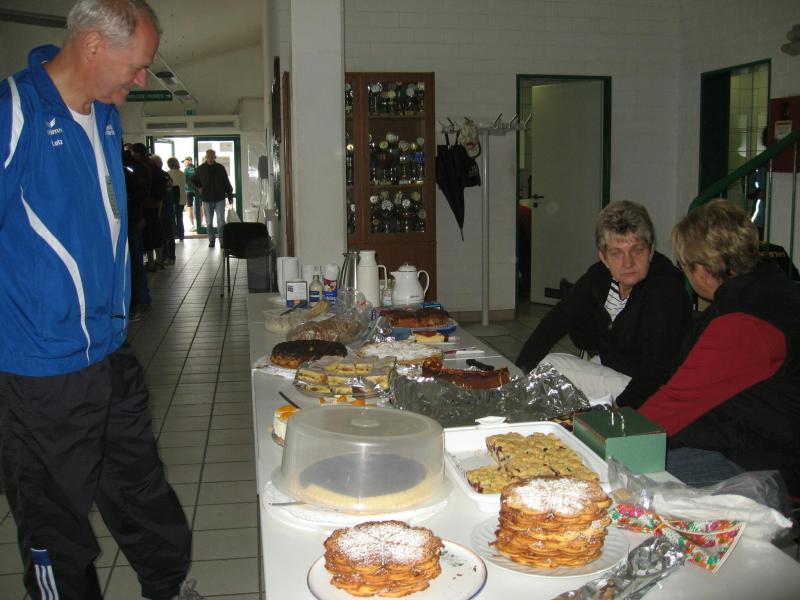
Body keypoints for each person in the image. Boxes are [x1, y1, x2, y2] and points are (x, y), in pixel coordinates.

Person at [0, 1, 196, 599]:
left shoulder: (105, 117)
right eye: (136, 66)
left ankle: (168, 589)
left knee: (143, 494)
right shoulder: (16, 112)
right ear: (92, 46)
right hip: (41, 371)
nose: (141, 79)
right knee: (56, 528)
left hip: (109, 352)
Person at [639, 199, 800, 494]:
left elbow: (677, 402)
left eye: (684, 266)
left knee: (630, 475)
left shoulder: (743, 324)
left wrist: (615, 441)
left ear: (701, 270)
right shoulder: (770, 284)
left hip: (764, 465)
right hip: (757, 435)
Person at [515, 200, 693, 408]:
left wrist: (619, 408)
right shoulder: (599, 277)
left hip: (655, 389)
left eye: (637, 250)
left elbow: (657, 368)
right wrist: (517, 373)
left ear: (651, 251)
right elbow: (555, 322)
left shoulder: (664, 291)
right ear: (604, 258)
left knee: (550, 369)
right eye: (617, 253)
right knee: (543, 368)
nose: (628, 262)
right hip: (617, 367)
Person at [193, 148, 233, 247]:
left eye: (212, 157)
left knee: (221, 221)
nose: (210, 158)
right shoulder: (200, 169)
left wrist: (230, 196)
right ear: (206, 157)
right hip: (206, 198)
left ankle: (222, 240)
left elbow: (226, 182)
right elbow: (193, 179)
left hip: (219, 198)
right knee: (209, 222)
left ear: (215, 157)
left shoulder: (220, 168)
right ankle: (211, 239)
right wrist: (199, 187)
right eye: (209, 156)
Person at [167, 157, 186, 242]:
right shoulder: (182, 173)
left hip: (172, 199)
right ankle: (181, 235)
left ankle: (174, 234)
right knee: (179, 217)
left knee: (171, 217)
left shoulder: (168, 173)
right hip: (182, 198)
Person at [183, 155, 198, 231]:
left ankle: (193, 225)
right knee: (200, 206)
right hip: (197, 190)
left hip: (189, 190)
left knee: (190, 207)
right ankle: (201, 224)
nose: (184, 163)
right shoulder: (196, 168)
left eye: (185, 161)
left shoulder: (186, 169)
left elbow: (184, 180)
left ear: (189, 161)